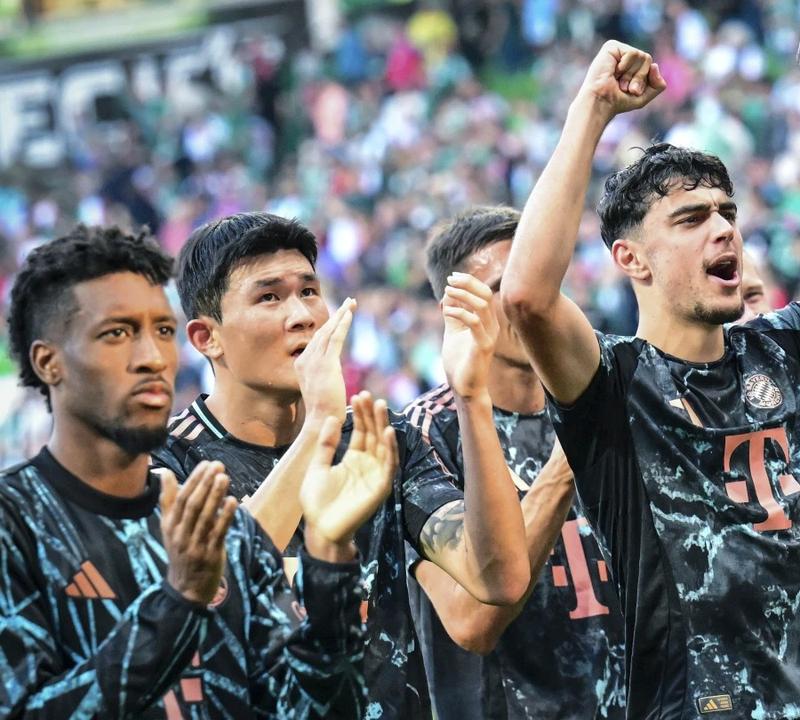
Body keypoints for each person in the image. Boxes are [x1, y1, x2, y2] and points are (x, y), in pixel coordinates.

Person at [501, 18, 800, 717]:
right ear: (630, 260)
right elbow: (526, 297)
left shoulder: (784, 348)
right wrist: (591, 112)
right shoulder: (610, 383)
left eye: (727, 211)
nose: (724, 227)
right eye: (691, 218)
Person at [0, 226, 395, 717]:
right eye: (117, 333)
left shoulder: (228, 530)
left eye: (161, 331)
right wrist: (178, 600)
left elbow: (309, 709)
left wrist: (330, 566)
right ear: (48, 362)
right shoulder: (15, 522)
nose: (152, 358)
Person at [152, 212, 530, 718]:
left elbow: (499, 578)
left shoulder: (380, 438)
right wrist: (320, 427)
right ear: (206, 338)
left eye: (309, 291)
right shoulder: (169, 463)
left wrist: (472, 397)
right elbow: (214, 600)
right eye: (269, 297)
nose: (303, 314)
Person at [402, 206, 626, 718]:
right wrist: (571, 454)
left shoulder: (612, 392)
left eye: (539, 279)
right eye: (505, 285)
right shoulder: (420, 436)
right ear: (456, 310)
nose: (530, 300)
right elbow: (474, 621)